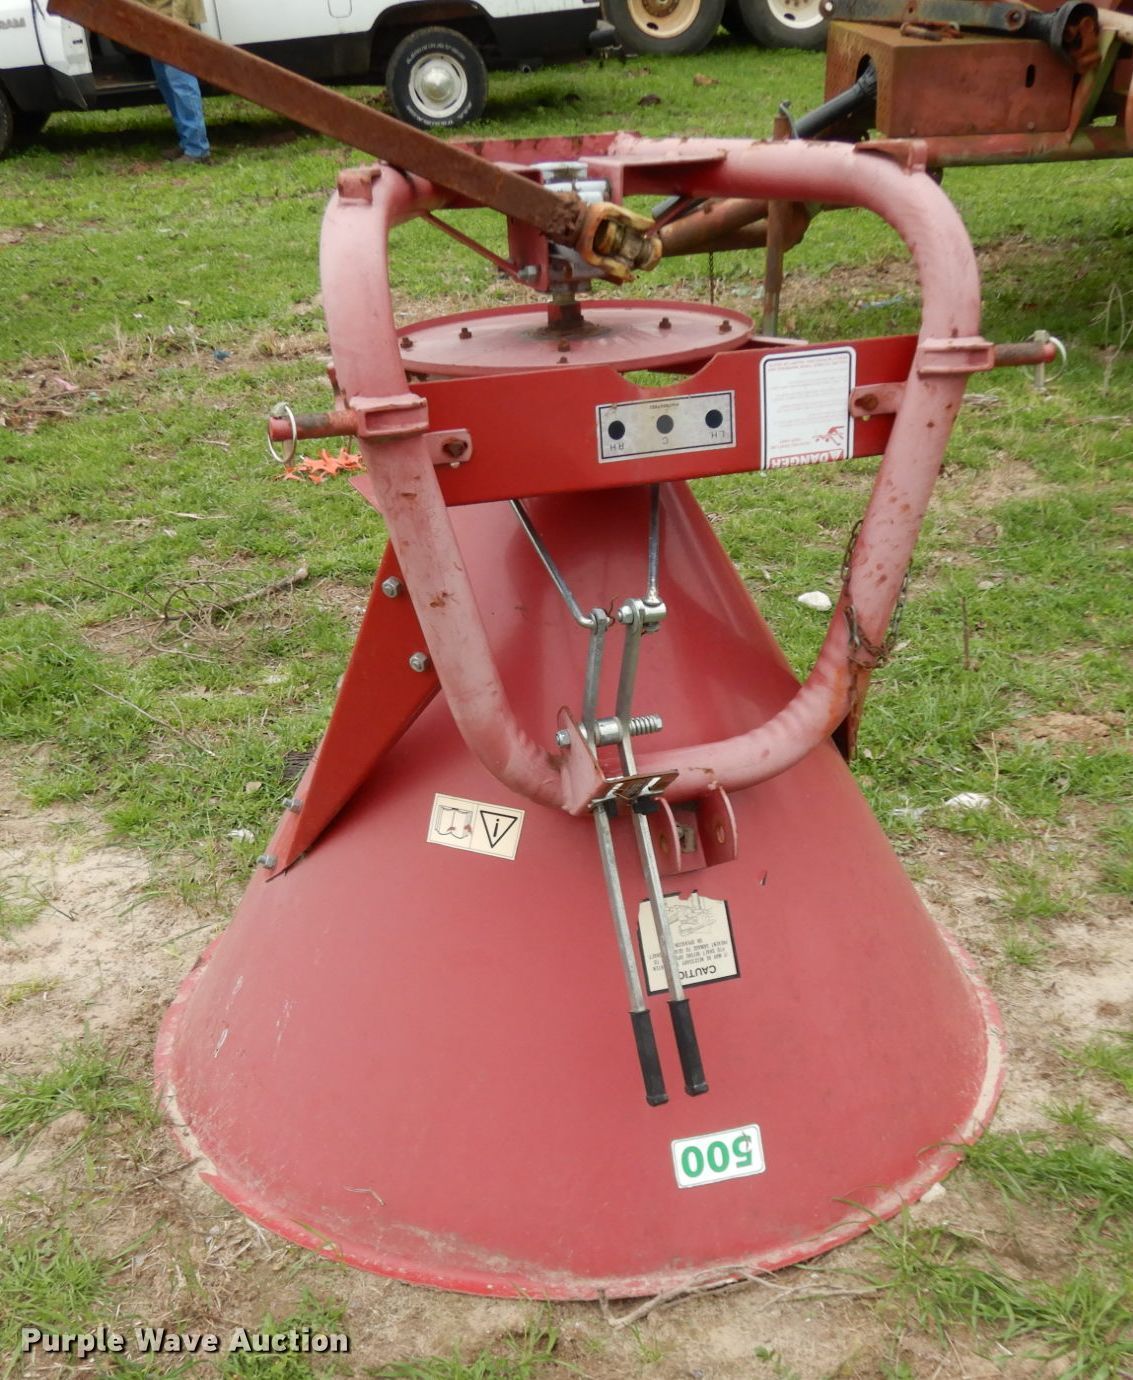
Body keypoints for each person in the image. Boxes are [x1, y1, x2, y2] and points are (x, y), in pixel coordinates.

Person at [140, 0, 211, 164]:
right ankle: (187, 142)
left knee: (181, 85)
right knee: (167, 84)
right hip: (154, 18)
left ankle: (197, 149)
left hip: (172, 20)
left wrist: (178, 21)